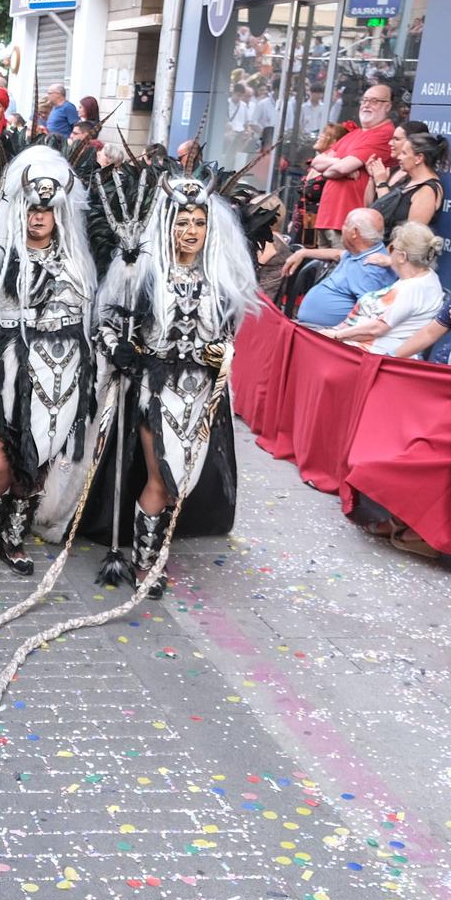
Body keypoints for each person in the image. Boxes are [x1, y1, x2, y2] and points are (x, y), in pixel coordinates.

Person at [98, 165, 258, 595]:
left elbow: (225, 337)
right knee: (161, 478)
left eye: (199, 222)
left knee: (180, 485)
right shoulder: (142, 274)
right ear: (167, 225)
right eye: (183, 221)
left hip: (201, 396)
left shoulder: (219, 282)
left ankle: (156, 550)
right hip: (155, 390)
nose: (191, 230)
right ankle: (145, 563)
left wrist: (221, 354)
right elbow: (107, 322)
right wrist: (121, 351)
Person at [0, 145, 98, 572]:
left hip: (58, 377)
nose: (38, 218)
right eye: (31, 210)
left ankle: (13, 536)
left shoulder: (78, 263)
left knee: (35, 464)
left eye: (47, 211)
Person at [319, 221, 445, 357]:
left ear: (402, 257)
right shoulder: (428, 277)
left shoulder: (412, 289)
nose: (388, 253)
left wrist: (336, 335)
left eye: (391, 249)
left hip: (373, 354)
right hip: (365, 345)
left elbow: (376, 329)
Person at [310, 85, 394, 242]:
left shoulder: (384, 134)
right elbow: (317, 162)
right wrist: (339, 163)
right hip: (328, 219)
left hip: (351, 225)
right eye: (365, 100)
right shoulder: (354, 134)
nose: (367, 104)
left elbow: (339, 169)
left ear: (387, 106)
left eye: (374, 101)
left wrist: (337, 167)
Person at [288, 208, 394, 328]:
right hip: (312, 327)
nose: (341, 228)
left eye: (345, 224)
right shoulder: (361, 251)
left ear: (355, 233)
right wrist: (303, 253)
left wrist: (337, 334)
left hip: (326, 334)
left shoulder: (370, 267)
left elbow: (367, 316)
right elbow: (338, 253)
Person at [364, 127, 446, 234]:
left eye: (404, 153)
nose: (399, 157)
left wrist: (381, 183)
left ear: (419, 158)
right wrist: (374, 179)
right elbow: (373, 209)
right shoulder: (407, 181)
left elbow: (410, 237)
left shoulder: (427, 191)